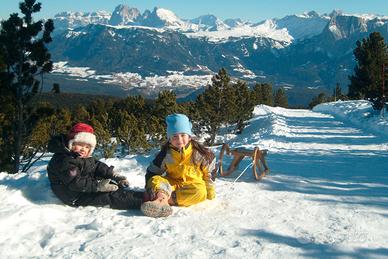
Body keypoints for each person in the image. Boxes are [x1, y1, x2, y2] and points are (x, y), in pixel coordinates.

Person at [47, 122, 144, 210]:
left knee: (114, 186)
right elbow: (75, 183)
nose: (83, 149)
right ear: (71, 143)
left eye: (87, 147)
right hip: (75, 195)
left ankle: (148, 196)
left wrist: (112, 175)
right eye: (80, 145)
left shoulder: (79, 156)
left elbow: (96, 165)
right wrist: (98, 186)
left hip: (86, 187)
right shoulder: (63, 160)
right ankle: (143, 202)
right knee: (111, 197)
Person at [141, 113, 216, 218]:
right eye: (174, 136)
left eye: (183, 135)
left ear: (189, 137)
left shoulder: (200, 153)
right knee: (156, 179)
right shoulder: (166, 154)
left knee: (200, 192)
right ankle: (161, 198)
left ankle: (164, 200)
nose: (179, 140)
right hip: (172, 184)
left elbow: (209, 172)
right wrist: (150, 188)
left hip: (193, 185)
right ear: (169, 139)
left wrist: (210, 190)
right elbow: (152, 172)